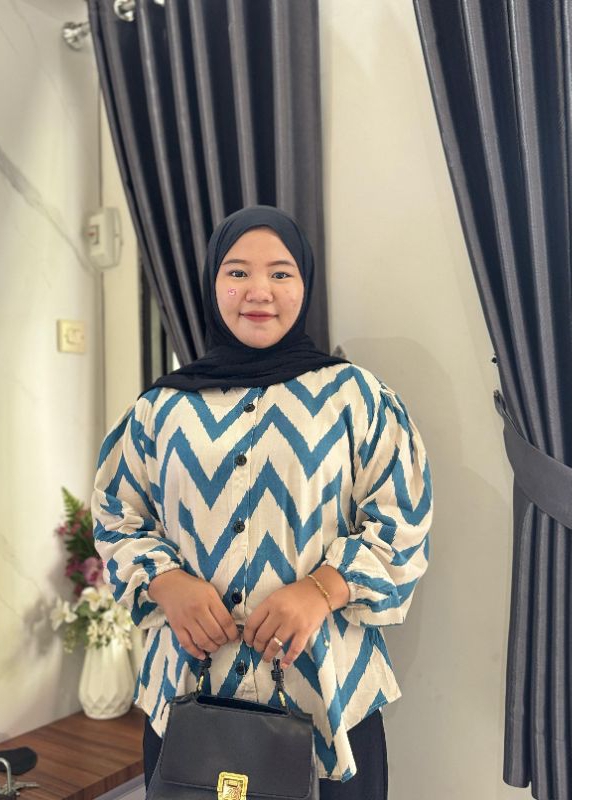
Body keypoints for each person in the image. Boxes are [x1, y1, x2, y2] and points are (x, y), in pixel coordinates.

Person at [91, 205, 433, 799]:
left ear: (305, 283)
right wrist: (166, 583)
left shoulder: (355, 397)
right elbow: (117, 515)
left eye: (280, 273)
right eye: (237, 272)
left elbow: (402, 522)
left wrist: (321, 589)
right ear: (212, 283)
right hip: (187, 700)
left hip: (329, 700)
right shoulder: (159, 409)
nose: (259, 291)